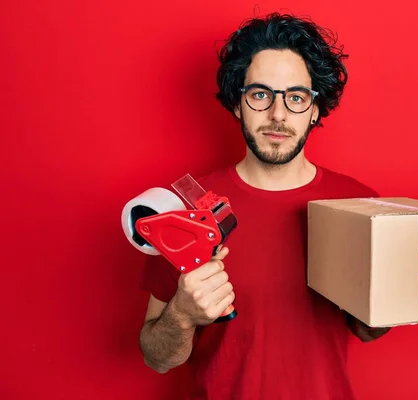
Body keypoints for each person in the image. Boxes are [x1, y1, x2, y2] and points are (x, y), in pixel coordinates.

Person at [138, 12, 391, 400]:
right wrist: (183, 314)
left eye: (295, 97)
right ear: (238, 104)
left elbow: (367, 329)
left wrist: (392, 297)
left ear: (315, 109)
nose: (278, 114)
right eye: (260, 94)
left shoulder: (359, 205)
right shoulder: (185, 209)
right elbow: (156, 357)